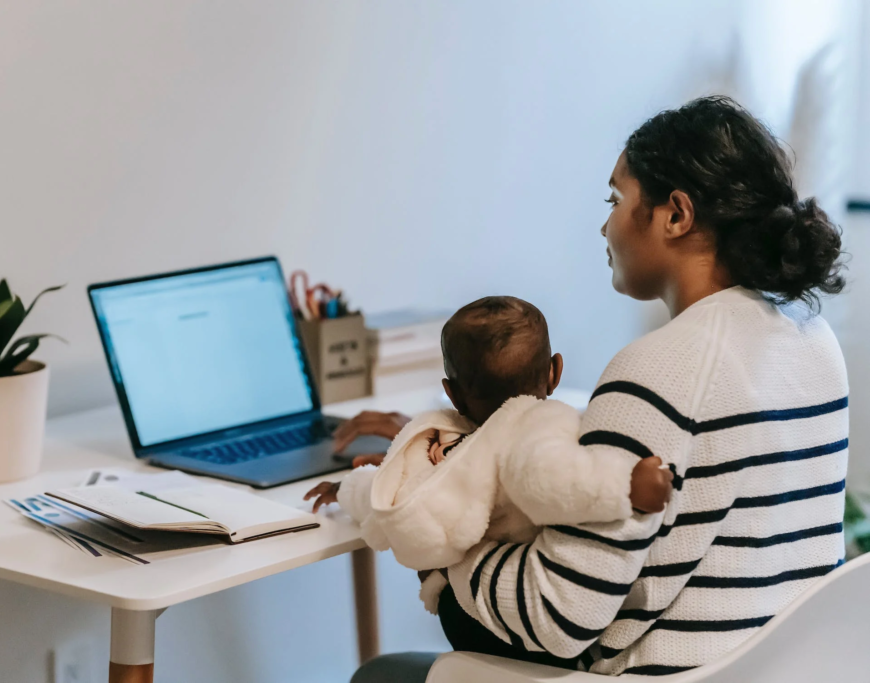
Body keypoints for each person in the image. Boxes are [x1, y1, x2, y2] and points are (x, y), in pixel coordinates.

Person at [345, 96, 848, 681]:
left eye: (616, 199)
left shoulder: (659, 366)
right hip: (778, 669)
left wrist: (439, 524)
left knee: (384, 673)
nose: (605, 225)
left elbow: (558, 617)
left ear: (675, 215)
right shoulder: (812, 339)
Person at [304, 297, 672, 616]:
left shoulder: (446, 451)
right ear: (555, 372)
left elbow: (387, 498)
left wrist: (344, 489)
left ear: (452, 394)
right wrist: (627, 485)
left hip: (475, 611)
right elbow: (560, 480)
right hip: (505, 607)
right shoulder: (538, 432)